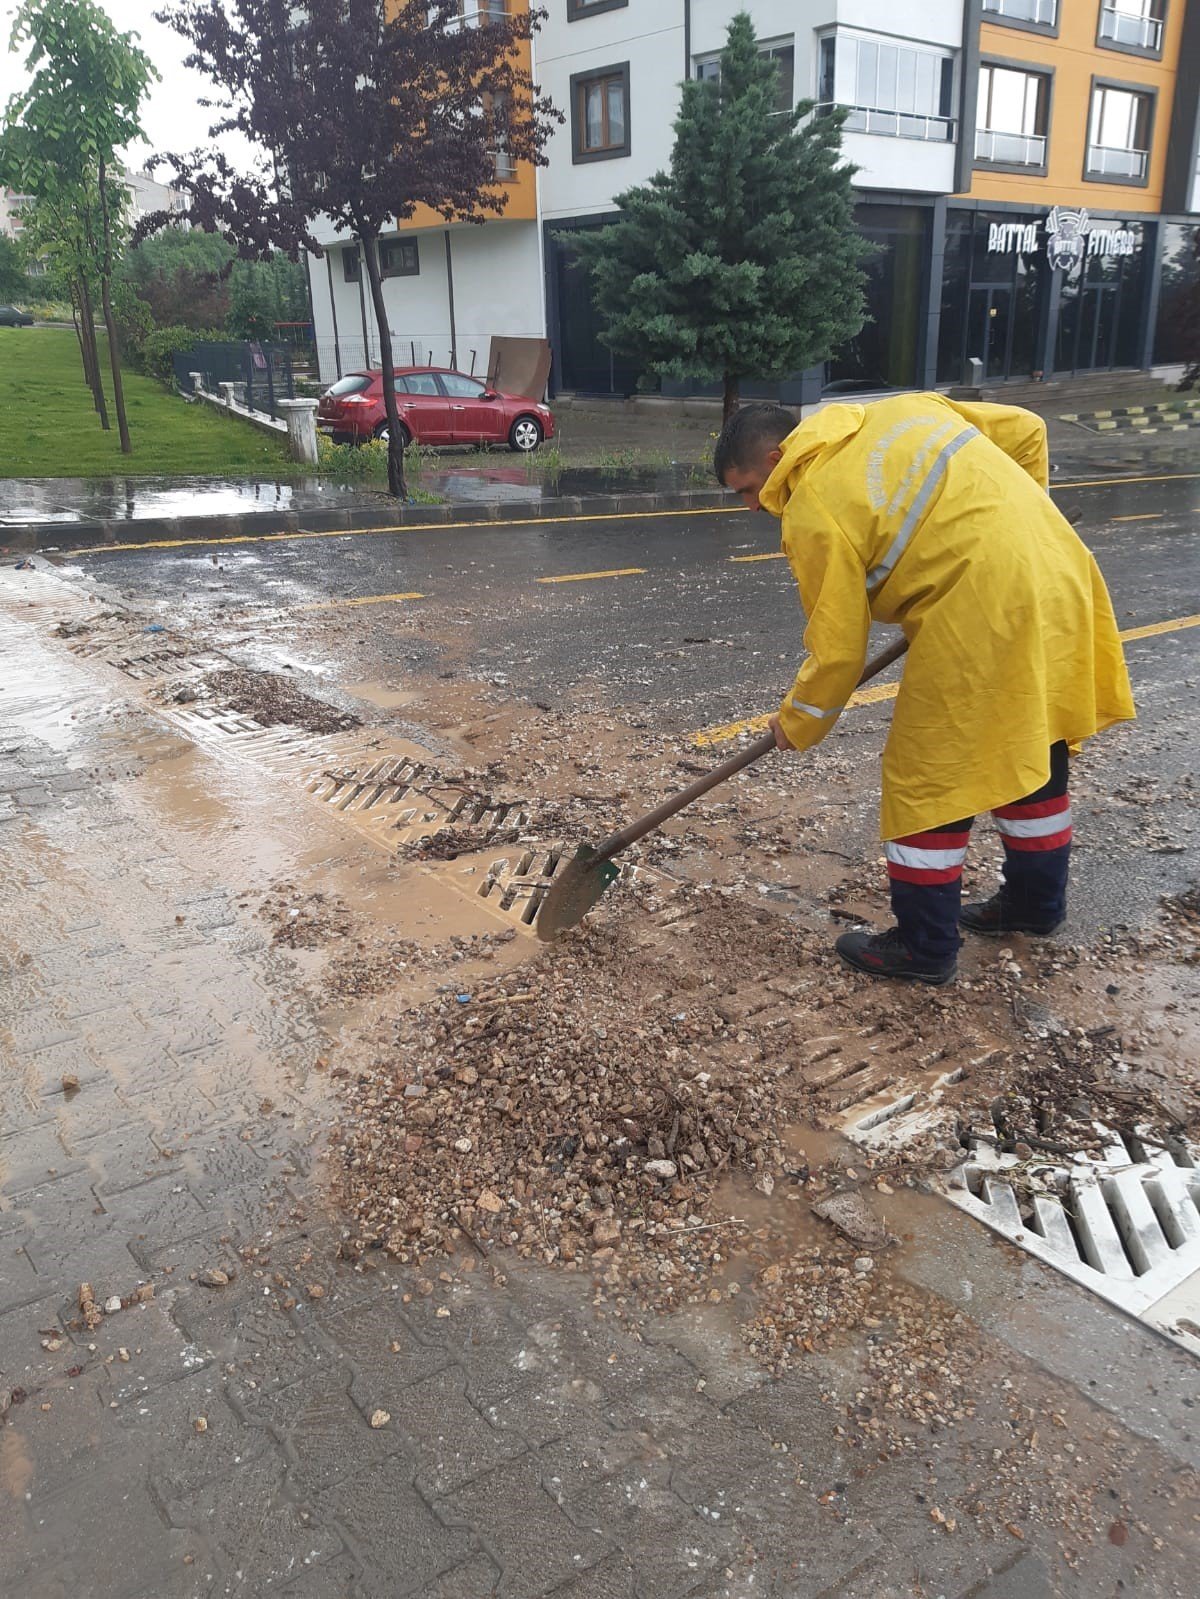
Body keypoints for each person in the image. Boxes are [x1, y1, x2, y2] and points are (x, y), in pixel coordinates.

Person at [712, 394, 1136, 986]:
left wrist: (799, 721)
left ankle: (923, 946)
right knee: (1033, 738)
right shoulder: (902, 409)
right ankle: (1036, 907)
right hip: (1060, 571)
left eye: (748, 489)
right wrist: (1013, 524)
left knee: (926, 777)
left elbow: (836, 648)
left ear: (780, 456)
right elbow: (1028, 431)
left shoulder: (812, 506)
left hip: (981, 611)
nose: (753, 506)